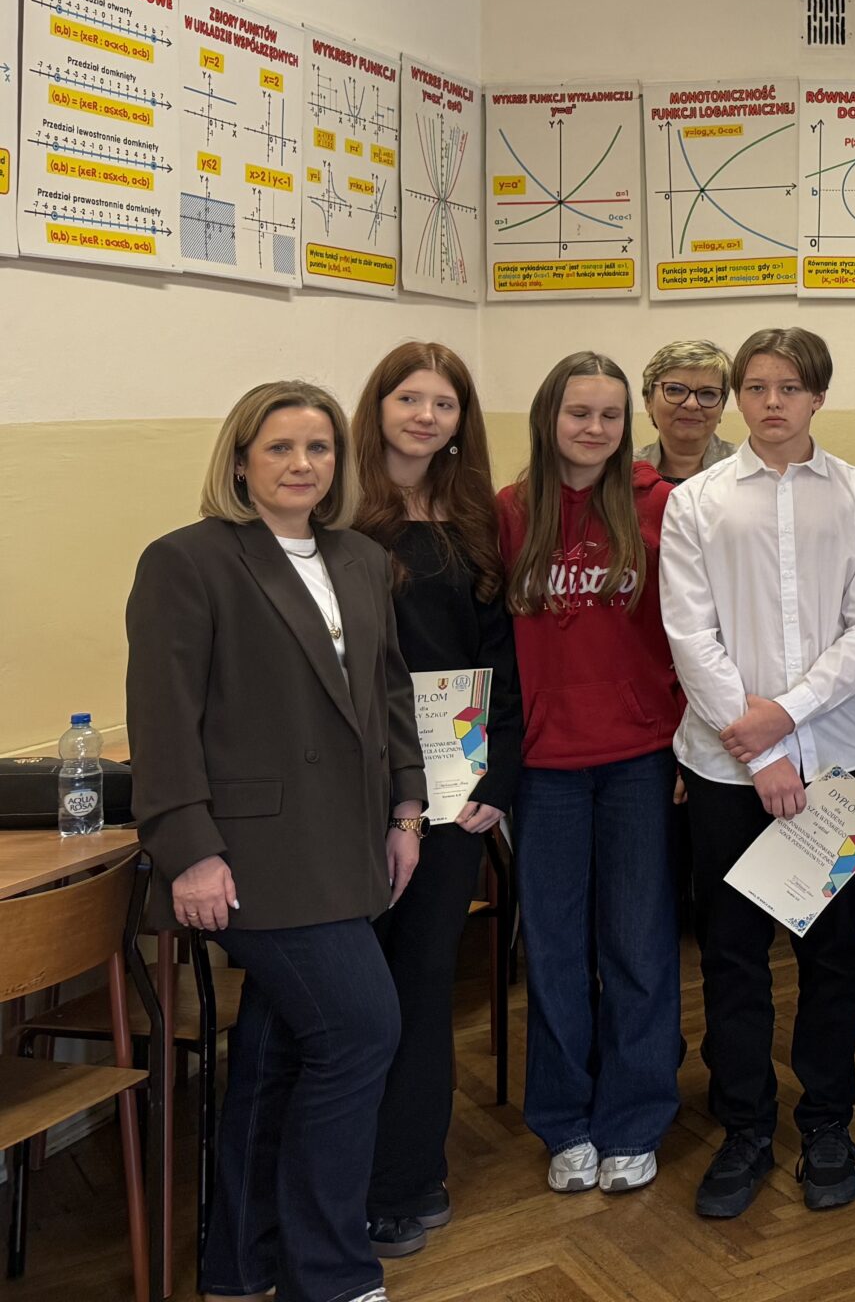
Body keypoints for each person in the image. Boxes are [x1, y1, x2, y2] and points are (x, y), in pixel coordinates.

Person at [127, 381, 423, 1302]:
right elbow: (163, 718)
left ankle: (241, 1262)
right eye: (281, 447)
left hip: (349, 844)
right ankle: (329, 1275)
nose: (302, 464)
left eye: (319, 448)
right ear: (241, 459)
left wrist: (407, 813)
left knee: (278, 1048)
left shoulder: (361, 558)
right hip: (252, 856)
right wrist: (190, 850)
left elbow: (391, 694)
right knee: (361, 1030)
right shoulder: (189, 561)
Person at [661, 328, 855, 1220]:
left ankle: (828, 1122)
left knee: (833, 955)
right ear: (739, 397)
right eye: (755, 387)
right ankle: (746, 1127)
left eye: (789, 387)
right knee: (731, 955)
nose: (771, 402)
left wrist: (788, 718)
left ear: (818, 398)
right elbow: (690, 635)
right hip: (725, 769)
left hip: (836, 761)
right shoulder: (697, 501)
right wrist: (762, 752)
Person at [348, 343, 522, 1259]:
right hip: (350, 789)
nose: (425, 416)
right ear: (377, 408)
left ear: (462, 421)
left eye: (443, 403)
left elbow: (505, 661)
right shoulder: (338, 519)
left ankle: (409, 1177)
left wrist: (497, 777)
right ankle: (335, 1177)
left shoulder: (479, 525)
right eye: (409, 398)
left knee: (420, 981)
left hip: (453, 791)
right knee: (354, 989)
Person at [499, 353, 685, 1200]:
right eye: (579, 412)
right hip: (545, 769)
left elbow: (691, 632)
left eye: (611, 415)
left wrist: (683, 743)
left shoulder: (659, 506)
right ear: (550, 416)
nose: (595, 428)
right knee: (554, 950)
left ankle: (635, 1118)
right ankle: (564, 1118)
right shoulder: (509, 513)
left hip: (640, 759)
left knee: (639, 945)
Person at [636, 339, 737, 482]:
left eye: (707, 393)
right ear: (648, 401)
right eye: (675, 390)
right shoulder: (621, 472)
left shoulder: (747, 469)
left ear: (722, 406)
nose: (692, 404)